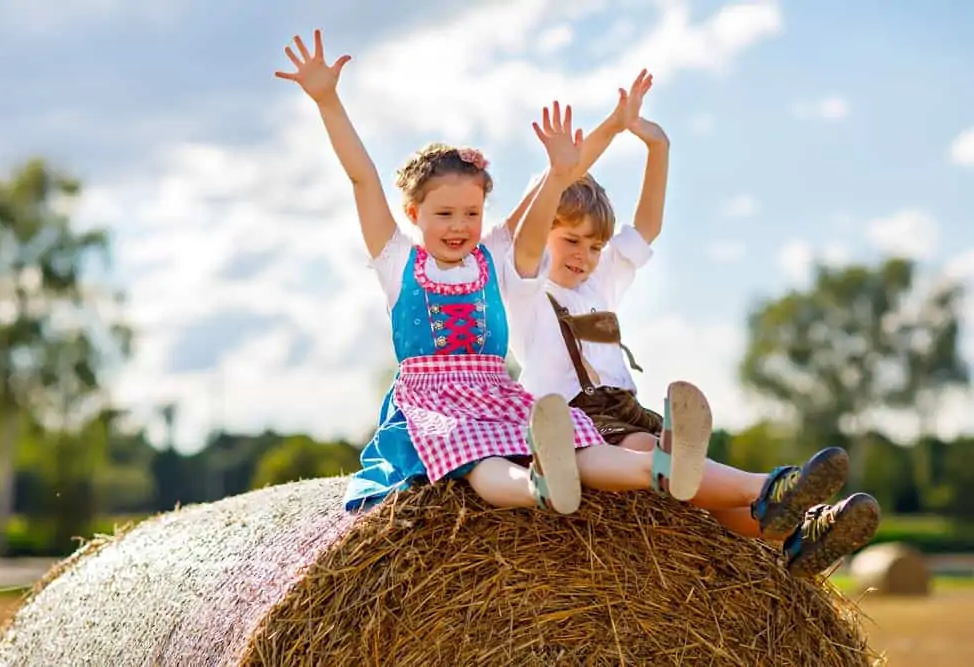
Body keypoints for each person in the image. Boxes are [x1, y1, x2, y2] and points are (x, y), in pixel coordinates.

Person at [275, 30, 719, 517]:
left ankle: (658, 466)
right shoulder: (397, 260)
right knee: (478, 457)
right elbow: (362, 176)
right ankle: (538, 488)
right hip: (436, 405)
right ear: (412, 211)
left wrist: (613, 126)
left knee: (579, 438)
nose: (460, 226)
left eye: (471, 212)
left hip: (498, 390)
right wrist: (327, 100)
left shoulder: (492, 255)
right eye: (444, 214)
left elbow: (561, 175)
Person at [506, 74, 881, 577]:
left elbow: (647, 227)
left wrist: (656, 145)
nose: (585, 256)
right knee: (656, 458)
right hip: (578, 422)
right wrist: (581, 154)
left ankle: (796, 533)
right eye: (571, 241)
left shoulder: (600, 284)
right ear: (546, 230)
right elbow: (534, 222)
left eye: (595, 247)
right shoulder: (527, 287)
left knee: (700, 491)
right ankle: (778, 487)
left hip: (626, 410)